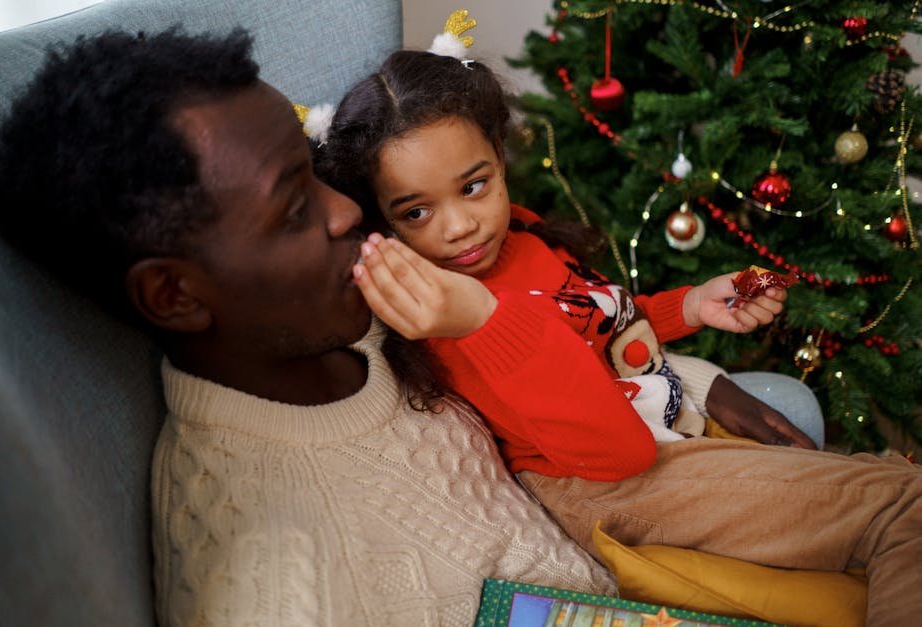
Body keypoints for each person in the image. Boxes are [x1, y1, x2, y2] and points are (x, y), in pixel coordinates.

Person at [0, 29, 618, 626]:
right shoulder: (272, 589)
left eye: (316, 174)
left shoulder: (379, 314)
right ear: (174, 294)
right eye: (294, 209)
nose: (347, 211)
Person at [316, 43, 922, 623]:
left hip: (662, 430)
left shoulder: (519, 239)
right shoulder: (451, 316)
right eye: (416, 212)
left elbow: (597, 324)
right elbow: (618, 453)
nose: (458, 227)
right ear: (383, 221)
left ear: (499, 157)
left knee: (895, 489)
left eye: (474, 186)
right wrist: (485, 321)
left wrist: (688, 306)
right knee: (905, 506)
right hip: (615, 483)